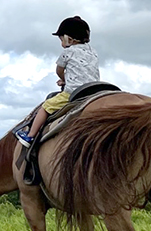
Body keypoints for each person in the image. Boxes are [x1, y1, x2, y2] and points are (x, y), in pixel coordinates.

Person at [16, 15, 100, 147]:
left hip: (73, 92)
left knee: (45, 107)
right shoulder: (93, 51)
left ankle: (30, 136)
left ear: (69, 39)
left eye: (61, 39)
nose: (61, 42)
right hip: (95, 89)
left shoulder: (68, 52)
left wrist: (63, 79)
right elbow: (83, 72)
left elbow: (59, 71)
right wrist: (67, 80)